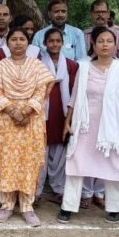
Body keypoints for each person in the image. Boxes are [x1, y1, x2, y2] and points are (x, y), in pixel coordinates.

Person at [58, 27, 119, 224]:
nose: (105, 44)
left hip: (112, 128)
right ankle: (68, 206)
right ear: (93, 44)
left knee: (114, 164)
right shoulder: (83, 68)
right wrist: (67, 122)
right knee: (76, 163)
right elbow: (74, 98)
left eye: (109, 41)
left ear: (115, 44)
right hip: (85, 126)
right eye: (100, 41)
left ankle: (117, 207)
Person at [0, 27, 55, 226]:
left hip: (30, 121)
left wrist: (27, 110)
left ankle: (27, 206)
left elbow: (42, 90)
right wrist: (13, 110)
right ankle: (6, 205)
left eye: (22, 39)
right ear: (8, 43)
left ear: (28, 43)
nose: (18, 43)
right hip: (5, 121)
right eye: (13, 39)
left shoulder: (37, 66)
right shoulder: (0, 66)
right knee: (6, 161)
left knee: (27, 161)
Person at [37, 28, 78, 204]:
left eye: (58, 41)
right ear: (45, 43)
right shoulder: (37, 62)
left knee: (60, 153)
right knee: (40, 153)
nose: (54, 44)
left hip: (62, 113)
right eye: (51, 41)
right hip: (42, 112)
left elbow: (75, 92)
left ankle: (58, 189)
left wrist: (71, 115)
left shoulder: (71, 65)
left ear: (62, 43)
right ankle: (36, 191)